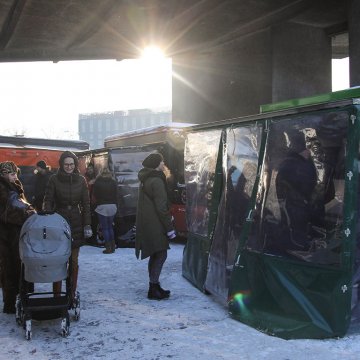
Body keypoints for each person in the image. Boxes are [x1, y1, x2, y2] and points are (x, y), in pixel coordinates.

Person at [43, 151, 92, 301]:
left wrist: (87, 224)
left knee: (74, 260)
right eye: (66, 164)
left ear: (75, 165)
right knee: (58, 260)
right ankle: (57, 295)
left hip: (76, 221)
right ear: (62, 165)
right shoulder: (54, 179)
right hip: (59, 220)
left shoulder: (81, 180)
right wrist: (48, 217)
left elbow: (86, 204)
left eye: (71, 164)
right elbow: (48, 199)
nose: (69, 167)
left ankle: (71, 293)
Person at [136, 153, 176, 300]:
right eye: (161, 162)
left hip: (147, 222)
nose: (163, 164)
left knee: (155, 253)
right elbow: (161, 207)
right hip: (156, 223)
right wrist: (169, 227)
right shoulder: (157, 180)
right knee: (161, 254)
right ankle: (153, 288)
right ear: (156, 164)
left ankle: (154, 285)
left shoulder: (145, 178)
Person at [0, 161, 36, 313]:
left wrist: (28, 210)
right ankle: (9, 305)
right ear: (4, 174)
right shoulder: (2, 188)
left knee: (18, 267)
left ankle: (21, 299)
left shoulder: (14, 185)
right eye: (12, 173)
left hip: (16, 233)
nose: (15, 176)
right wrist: (25, 213)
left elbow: (21, 204)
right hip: (5, 235)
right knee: (9, 269)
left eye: (15, 173)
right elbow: (6, 213)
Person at [275, 131, 317, 253]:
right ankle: (295, 249)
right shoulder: (292, 163)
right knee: (294, 229)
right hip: (294, 205)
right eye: (306, 148)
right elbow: (285, 185)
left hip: (300, 204)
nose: (309, 152)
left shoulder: (300, 162)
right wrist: (301, 199)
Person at [93, 167, 118, 254]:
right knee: (110, 227)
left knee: (105, 228)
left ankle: (108, 248)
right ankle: (113, 246)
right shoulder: (113, 181)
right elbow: (117, 194)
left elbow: (95, 194)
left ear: (100, 172)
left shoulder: (97, 182)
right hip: (112, 206)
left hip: (102, 207)